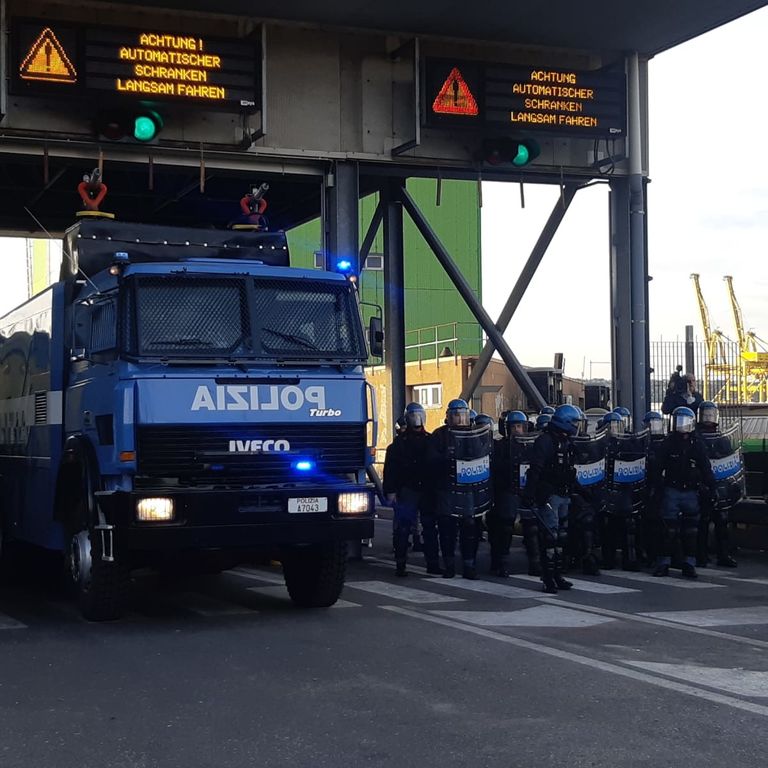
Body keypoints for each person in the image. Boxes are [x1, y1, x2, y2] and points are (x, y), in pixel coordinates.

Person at [521, 403, 582, 593]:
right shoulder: (546, 441)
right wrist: (530, 493)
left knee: (561, 537)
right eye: (573, 422)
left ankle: (557, 575)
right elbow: (536, 469)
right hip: (549, 494)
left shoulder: (567, 442)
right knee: (549, 537)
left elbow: (570, 470)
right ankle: (548, 578)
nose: (576, 426)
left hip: (564, 493)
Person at [651, 406, 717, 579]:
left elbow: (706, 467)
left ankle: (689, 563)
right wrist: (656, 487)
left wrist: (712, 487)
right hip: (672, 489)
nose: (681, 426)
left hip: (691, 491)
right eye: (678, 422)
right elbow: (657, 467)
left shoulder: (697, 444)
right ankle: (663, 562)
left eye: (684, 422)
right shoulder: (668, 443)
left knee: (691, 531)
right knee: (668, 530)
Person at [430, 399, 492, 579]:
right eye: (455, 415)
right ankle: (449, 565)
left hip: (468, 490)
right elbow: (430, 460)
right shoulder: (439, 435)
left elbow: (484, 456)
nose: (459, 419)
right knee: (447, 529)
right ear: (448, 417)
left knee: (470, 529)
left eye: (462, 415)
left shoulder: (475, 434)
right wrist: (447, 459)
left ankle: (469, 565)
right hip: (447, 489)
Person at [383, 402, 438, 577]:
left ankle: (433, 563)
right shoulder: (398, 444)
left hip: (427, 489)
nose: (417, 419)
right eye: (414, 416)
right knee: (404, 528)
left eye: (419, 415)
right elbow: (390, 469)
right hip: (407, 489)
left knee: (429, 528)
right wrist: (390, 491)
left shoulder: (431, 440)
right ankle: (401, 564)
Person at [490, 411, 540, 577]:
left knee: (531, 526)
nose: (517, 430)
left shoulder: (532, 445)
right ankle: (501, 562)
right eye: (513, 426)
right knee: (505, 527)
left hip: (528, 489)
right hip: (508, 489)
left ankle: (535, 562)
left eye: (520, 426)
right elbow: (496, 467)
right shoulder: (501, 446)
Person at [696, 401, 739, 568]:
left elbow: (729, 458)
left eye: (710, 414)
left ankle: (723, 554)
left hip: (720, 484)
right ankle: (701, 554)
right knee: (702, 521)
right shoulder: (696, 438)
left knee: (722, 521)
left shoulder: (721, 438)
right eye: (705, 414)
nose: (708, 418)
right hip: (702, 485)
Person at [643, 410, 666, 566]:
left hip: (663, 486)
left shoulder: (665, 443)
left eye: (656, 424)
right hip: (648, 487)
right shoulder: (642, 444)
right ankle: (650, 554)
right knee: (650, 524)